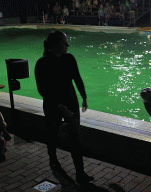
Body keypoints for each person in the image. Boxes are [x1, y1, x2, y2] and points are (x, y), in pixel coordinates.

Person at [34, 31, 94, 186]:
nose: (68, 46)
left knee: (75, 137)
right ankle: (53, 160)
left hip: (71, 102)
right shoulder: (42, 63)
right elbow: (42, 90)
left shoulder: (69, 58)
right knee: (53, 134)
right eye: (64, 43)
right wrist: (59, 106)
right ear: (55, 45)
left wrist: (84, 97)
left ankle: (80, 173)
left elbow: (77, 78)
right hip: (52, 104)